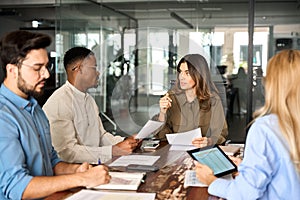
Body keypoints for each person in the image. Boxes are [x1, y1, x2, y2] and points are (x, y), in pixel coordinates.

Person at [0, 30, 110, 200]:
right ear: (12, 70)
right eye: (37, 68)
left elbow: (51, 162)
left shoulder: (36, 109)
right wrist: (81, 178)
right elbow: (16, 187)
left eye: (47, 66)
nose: (46, 74)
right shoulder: (3, 117)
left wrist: (75, 170)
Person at [194, 50, 300, 199]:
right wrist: (247, 166)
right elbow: (284, 175)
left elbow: (245, 194)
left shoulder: (265, 129)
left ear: (273, 85)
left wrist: (212, 181)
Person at [43, 46, 138, 164]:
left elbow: (101, 136)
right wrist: (112, 151)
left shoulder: (89, 100)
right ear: (78, 69)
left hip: (94, 165)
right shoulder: (59, 102)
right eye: (94, 68)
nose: (98, 73)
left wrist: (127, 141)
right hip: (73, 172)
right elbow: (67, 152)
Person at [156, 54, 228, 146]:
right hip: (174, 151)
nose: (181, 77)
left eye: (187, 73)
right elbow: (161, 136)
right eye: (180, 72)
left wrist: (209, 141)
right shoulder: (171, 98)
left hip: (200, 152)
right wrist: (162, 113)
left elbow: (221, 133)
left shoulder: (213, 100)